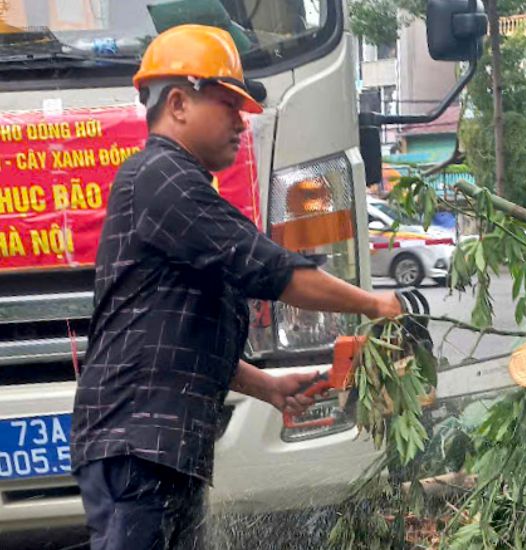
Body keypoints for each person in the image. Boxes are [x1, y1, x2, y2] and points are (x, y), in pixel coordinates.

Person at [69, 24, 403, 549]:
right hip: (139, 449)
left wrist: (265, 387)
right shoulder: (161, 176)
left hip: (159, 447)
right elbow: (268, 268)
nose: (240, 123)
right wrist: (373, 303)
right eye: (228, 105)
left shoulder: (174, 184)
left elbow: (175, 344)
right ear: (178, 103)